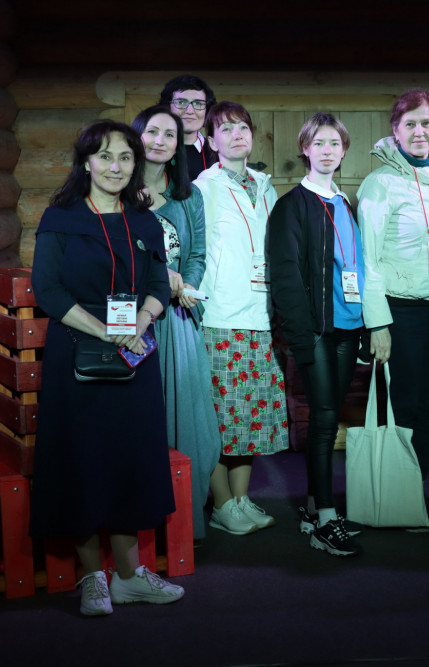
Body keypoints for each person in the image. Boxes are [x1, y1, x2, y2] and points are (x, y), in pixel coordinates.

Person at [29, 120, 184, 615]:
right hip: (77, 352)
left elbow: (158, 285)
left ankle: (129, 577)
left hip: (134, 352)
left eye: (125, 157)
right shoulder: (61, 218)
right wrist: (103, 330)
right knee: (81, 459)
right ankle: (93, 577)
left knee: (129, 460)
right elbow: (48, 290)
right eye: (104, 156)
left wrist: (140, 321)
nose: (115, 167)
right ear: (86, 163)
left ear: (135, 164)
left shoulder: (143, 221)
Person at [356, 89, 429, 525]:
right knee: (401, 405)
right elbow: (368, 260)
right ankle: (393, 498)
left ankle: (415, 494)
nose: (419, 131)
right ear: (395, 130)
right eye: (410, 124)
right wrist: (377, 323)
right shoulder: (379, 183)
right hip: (399, 311)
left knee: (428, 404)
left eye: (426, 123)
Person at [270, 113, 364, 556]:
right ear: (305, 149)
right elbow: (286, 275)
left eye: (335, 144)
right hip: (316, 330)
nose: (327, 151)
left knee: (331, 415)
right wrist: (299, 335)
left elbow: (355, 266)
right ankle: (326, 518)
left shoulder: (345, 203)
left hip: (348, 325)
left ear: (344, 151)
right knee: (324, 419)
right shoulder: (292, 205)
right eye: (319, 143)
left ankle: (313, 505)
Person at [194, 101, 289, 535]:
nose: (237, 135)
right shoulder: (204, 187)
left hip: (261, 315)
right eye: (226, 129)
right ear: (211, 140)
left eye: (243, 128)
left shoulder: (265, 186)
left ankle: (241, 498)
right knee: (219, 416)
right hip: (221, 315)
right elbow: (197, 252)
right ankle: (220, 504)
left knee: (249, 414)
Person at [132, 105, 218, 541]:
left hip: (179, 319)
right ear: (137, 137)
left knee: (192, 421)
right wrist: (158, 277)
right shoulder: (119, 190)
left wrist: (189, 286)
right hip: (135, 319)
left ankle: (184, 525)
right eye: (152, 132)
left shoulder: (189, 195)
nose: (161, 141)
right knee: (142, 418)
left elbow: (197, 253)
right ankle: (141, 530)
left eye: (170, 134)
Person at [159, 74, 218, 181]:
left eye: (198, 103)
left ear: (207, 110)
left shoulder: (218, 153)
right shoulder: (156, 148)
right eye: (181, 102)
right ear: (167, 106)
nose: (189, 111)